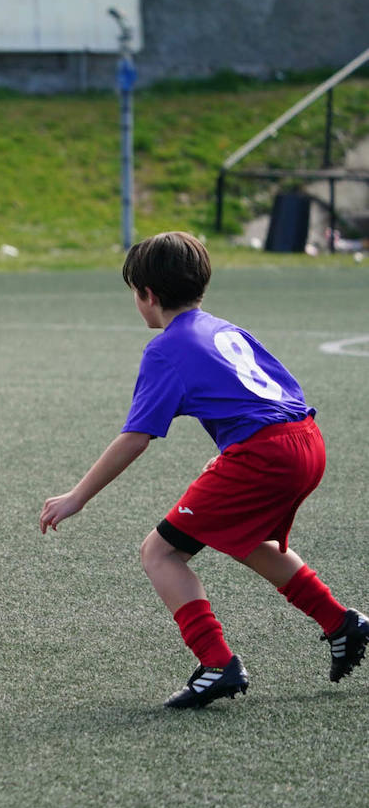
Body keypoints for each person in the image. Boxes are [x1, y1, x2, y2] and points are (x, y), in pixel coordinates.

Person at [40, 231, 368, 708]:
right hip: (305, 440)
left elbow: (136, 436)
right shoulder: (225, 328)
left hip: (265, 454)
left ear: (147, 296)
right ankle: (342, 623)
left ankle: (217, 664)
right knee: (249, 540)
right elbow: (275, 396)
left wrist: (77, 496)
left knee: (160, 553)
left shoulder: (165, 349)